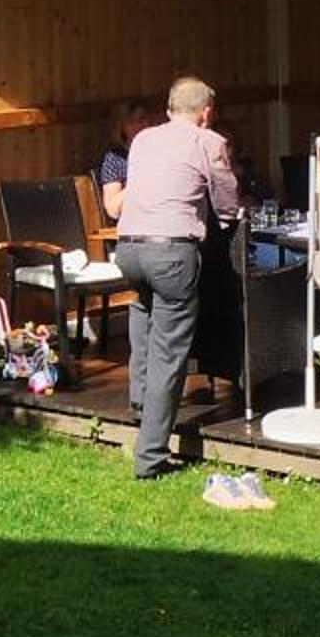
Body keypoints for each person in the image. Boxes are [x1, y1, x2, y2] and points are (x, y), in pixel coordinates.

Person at [112, 74, 241, 481]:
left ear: (169, 109)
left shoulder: (143, 140)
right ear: (207, 113)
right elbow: (227, 202)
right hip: (170, 253)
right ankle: (150, 457)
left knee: (143, 308)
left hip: (129, 249)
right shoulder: (209, 142)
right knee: (170, 354)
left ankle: (139, 402)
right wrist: (224, 221)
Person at [95, 98, 154, 214]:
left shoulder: (159, 151)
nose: (140, 126)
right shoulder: (115, 159)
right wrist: (140, 181)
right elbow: (113, 208)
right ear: (122, 127)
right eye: (132, 122)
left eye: (142, 119)